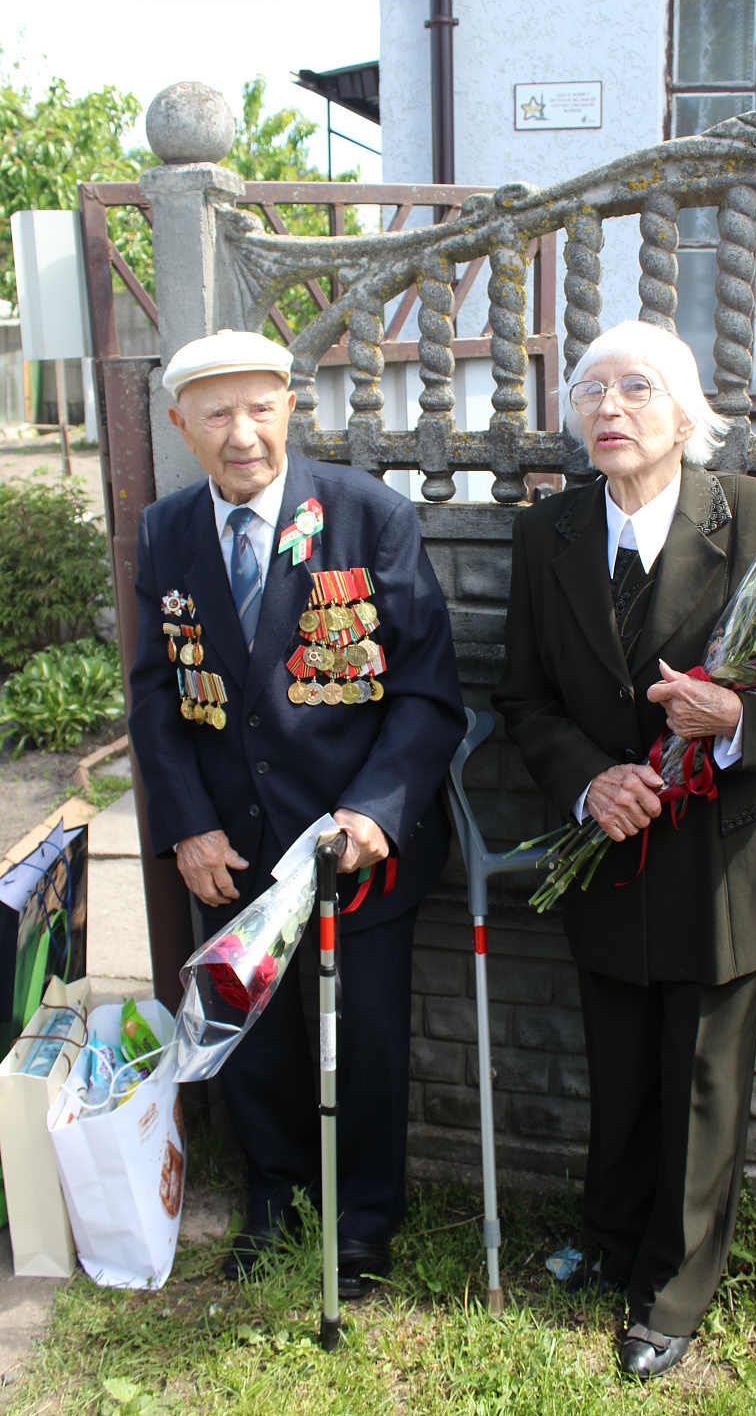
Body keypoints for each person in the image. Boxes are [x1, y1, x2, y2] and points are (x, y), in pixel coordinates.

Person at [493, 320, 756, 1379]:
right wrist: (585, 780)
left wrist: (732, 716)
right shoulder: (547, 533)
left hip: (725, 856)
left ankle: (671, 1291)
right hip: (611, 842)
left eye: (635, 388)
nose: (608, 408)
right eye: (589, 390)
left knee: (699, 1075)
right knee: (617, 1060)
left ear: (687, 415)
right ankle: (612, 1241)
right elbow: (524, 696)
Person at [129, 329, 466, 1287]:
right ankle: (275, 1199)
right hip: (226, 846)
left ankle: (362, 1221)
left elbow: (427, 694)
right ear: (182, 427)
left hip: (350, 848)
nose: (244, 433)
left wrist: (372, 813)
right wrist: (184, 824)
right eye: (218, 413)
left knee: (362, 1040)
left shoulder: (369, 518)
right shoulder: (167, 532)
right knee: (256, 1039)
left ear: (291, 406)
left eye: (261, 407)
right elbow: (157, 696)